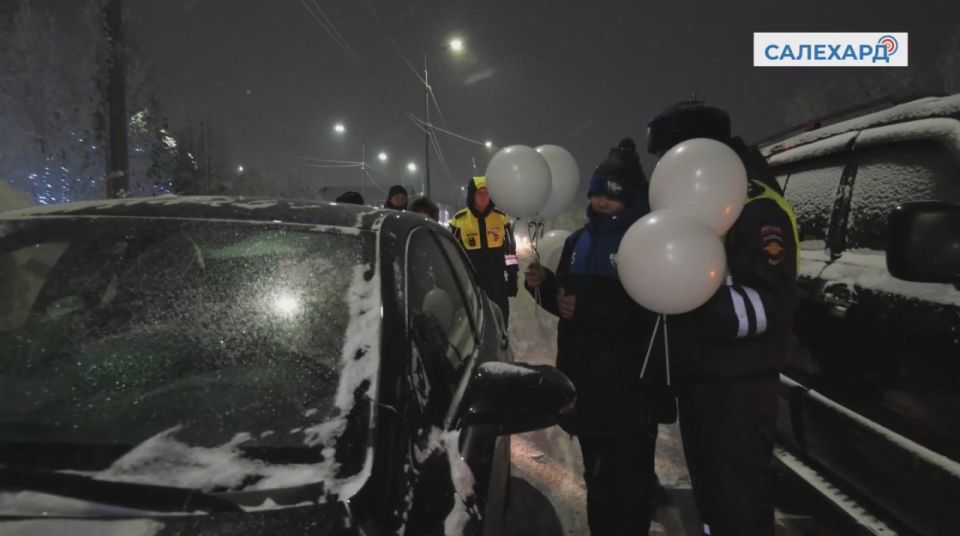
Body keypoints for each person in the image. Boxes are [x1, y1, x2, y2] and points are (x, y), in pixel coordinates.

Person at [647, 100, 799, 536]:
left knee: (739, 503)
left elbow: (768, 305)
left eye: (668, 157)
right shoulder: (695, 207)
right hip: (703, 378)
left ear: (697, 153)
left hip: (739, 386)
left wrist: (691, 296)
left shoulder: (754, 207)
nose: (663, 170)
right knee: (713, 498)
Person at [524, 138, 666, 536]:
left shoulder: (647, 242)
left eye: (613, 195)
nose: (602, 202)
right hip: (585, 385)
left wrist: (588, 310)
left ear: (633, 197)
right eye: (597, 193)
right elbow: (569, 305)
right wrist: (546, 288)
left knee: (631, 482)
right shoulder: (576, 242)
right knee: (597, 479)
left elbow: (653, 313)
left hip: (630, 388)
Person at [448, 176, 518, 326]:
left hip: (497, 281)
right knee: (476, 321)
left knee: (500, 318)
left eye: (487, 192)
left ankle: (502, 342)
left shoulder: (501, 219)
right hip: (472, 282)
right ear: (472, 195)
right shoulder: (459, 220)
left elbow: (510, 251)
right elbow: (452, 253)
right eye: (480, 192)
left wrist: (513, 277)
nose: (484, 196)